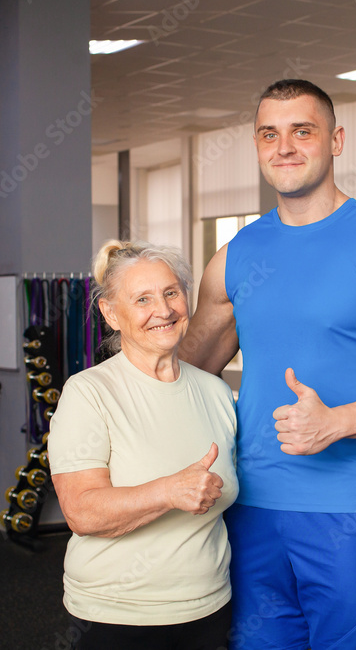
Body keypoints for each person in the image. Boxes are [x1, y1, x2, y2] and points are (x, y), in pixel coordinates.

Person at [181, 79, 356, 649]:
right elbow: (186, 370)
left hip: (344, 516)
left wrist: (338, 422)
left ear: (335, 140)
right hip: (249, 508)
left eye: (301, 131)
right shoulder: (235, 257)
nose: (284, 146)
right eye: (269, 134)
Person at [48, 240, 238, 650]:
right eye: (143, 299)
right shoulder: (88, 393)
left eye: (172, 293)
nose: (164, 310)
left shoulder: (216, 392)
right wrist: (169, 491)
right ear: (111, 314)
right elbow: (81, 511)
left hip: (210, 607)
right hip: (119, 614)